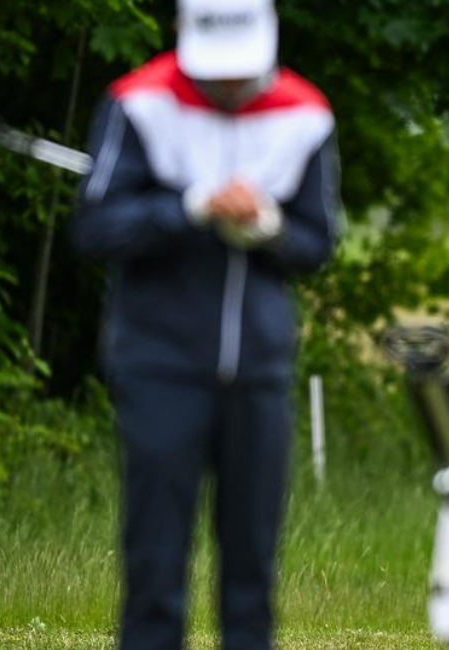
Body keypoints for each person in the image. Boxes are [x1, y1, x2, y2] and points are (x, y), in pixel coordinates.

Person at [70, 0, 342, 647]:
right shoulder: (138, 104)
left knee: (252, 567)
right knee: (155, 562)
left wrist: (269, 227)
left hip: (260, 366)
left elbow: (317, 242)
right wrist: (189, 208)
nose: (227, 85)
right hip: (159, 360)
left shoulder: (304, 115)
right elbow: (96, 227)